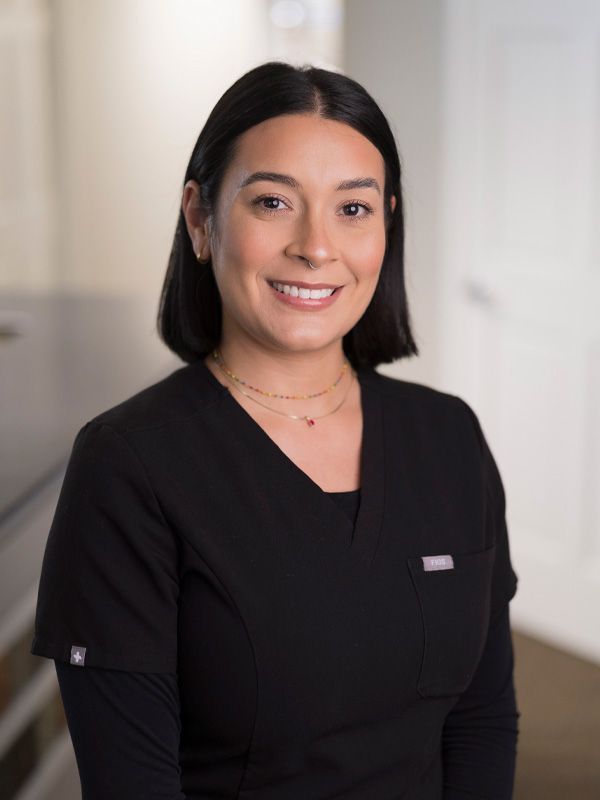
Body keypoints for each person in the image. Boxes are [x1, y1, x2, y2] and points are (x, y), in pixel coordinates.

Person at [30, 61, 520, 799]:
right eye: (272, 202)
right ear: (201, 218)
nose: (316, 247)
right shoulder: (131, 466)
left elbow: (480, 722)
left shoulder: (448, 437)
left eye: (352, 209)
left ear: (387, 222)